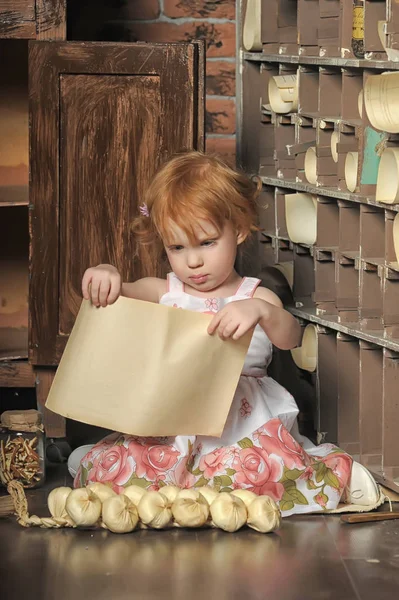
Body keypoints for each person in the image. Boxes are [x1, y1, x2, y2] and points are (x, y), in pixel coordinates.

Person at [67, 151, 381, 516]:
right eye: (177, 247)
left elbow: (290, 338)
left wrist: (262, 311)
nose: (193, 261)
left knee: (258, 471)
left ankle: (333, 473)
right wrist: (106, 272)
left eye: (207, 243)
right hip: (177, 415)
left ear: (239, 230)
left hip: (239, 421)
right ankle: (111, 463)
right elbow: (121, 292)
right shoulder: (165, 291)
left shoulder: (252, 295)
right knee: (137, 467)